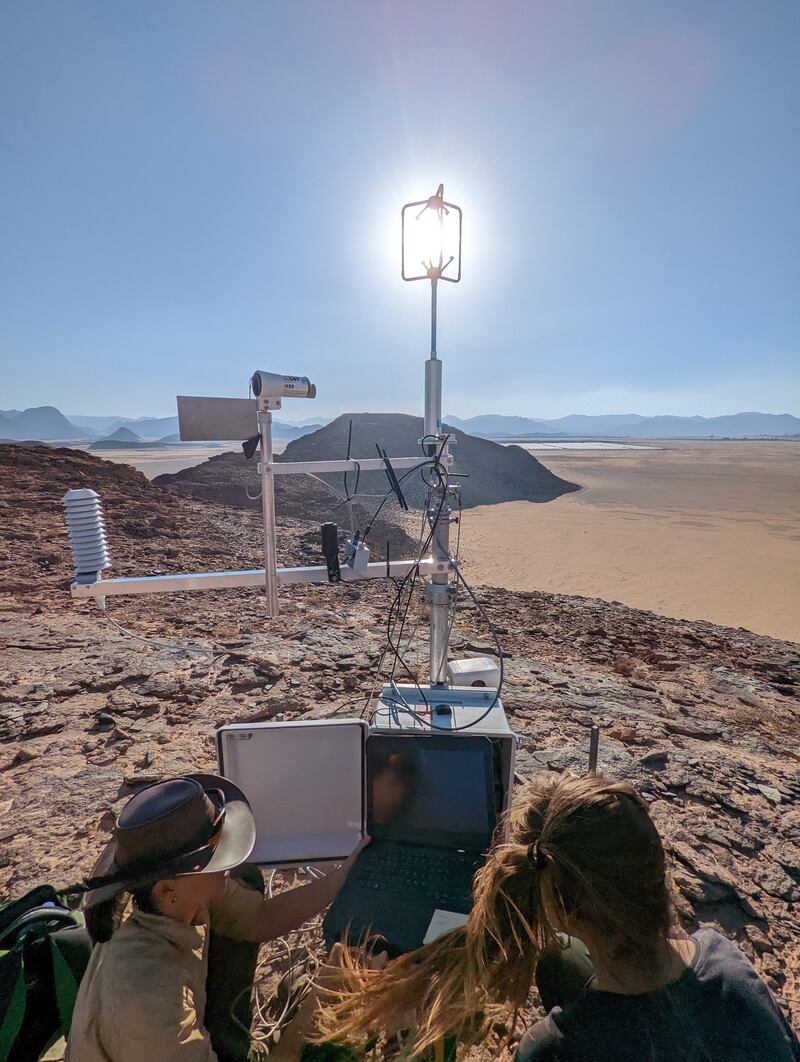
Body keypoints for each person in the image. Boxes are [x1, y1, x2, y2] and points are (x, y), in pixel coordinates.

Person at [315, 773, 800, 1061]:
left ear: (560, 909)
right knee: (557, 958)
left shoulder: (556, 1050)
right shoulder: (729, 961)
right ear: (657, 864)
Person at [65, 773, 367, 1062]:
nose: (225, 863)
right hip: (164, 1043)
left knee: (245, 877)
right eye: (215, 859)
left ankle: (230, 1042)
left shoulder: (176, 898)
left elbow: (258, 918)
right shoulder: (150, 996)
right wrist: (320, 994)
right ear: (168, 888)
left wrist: (343, 878)